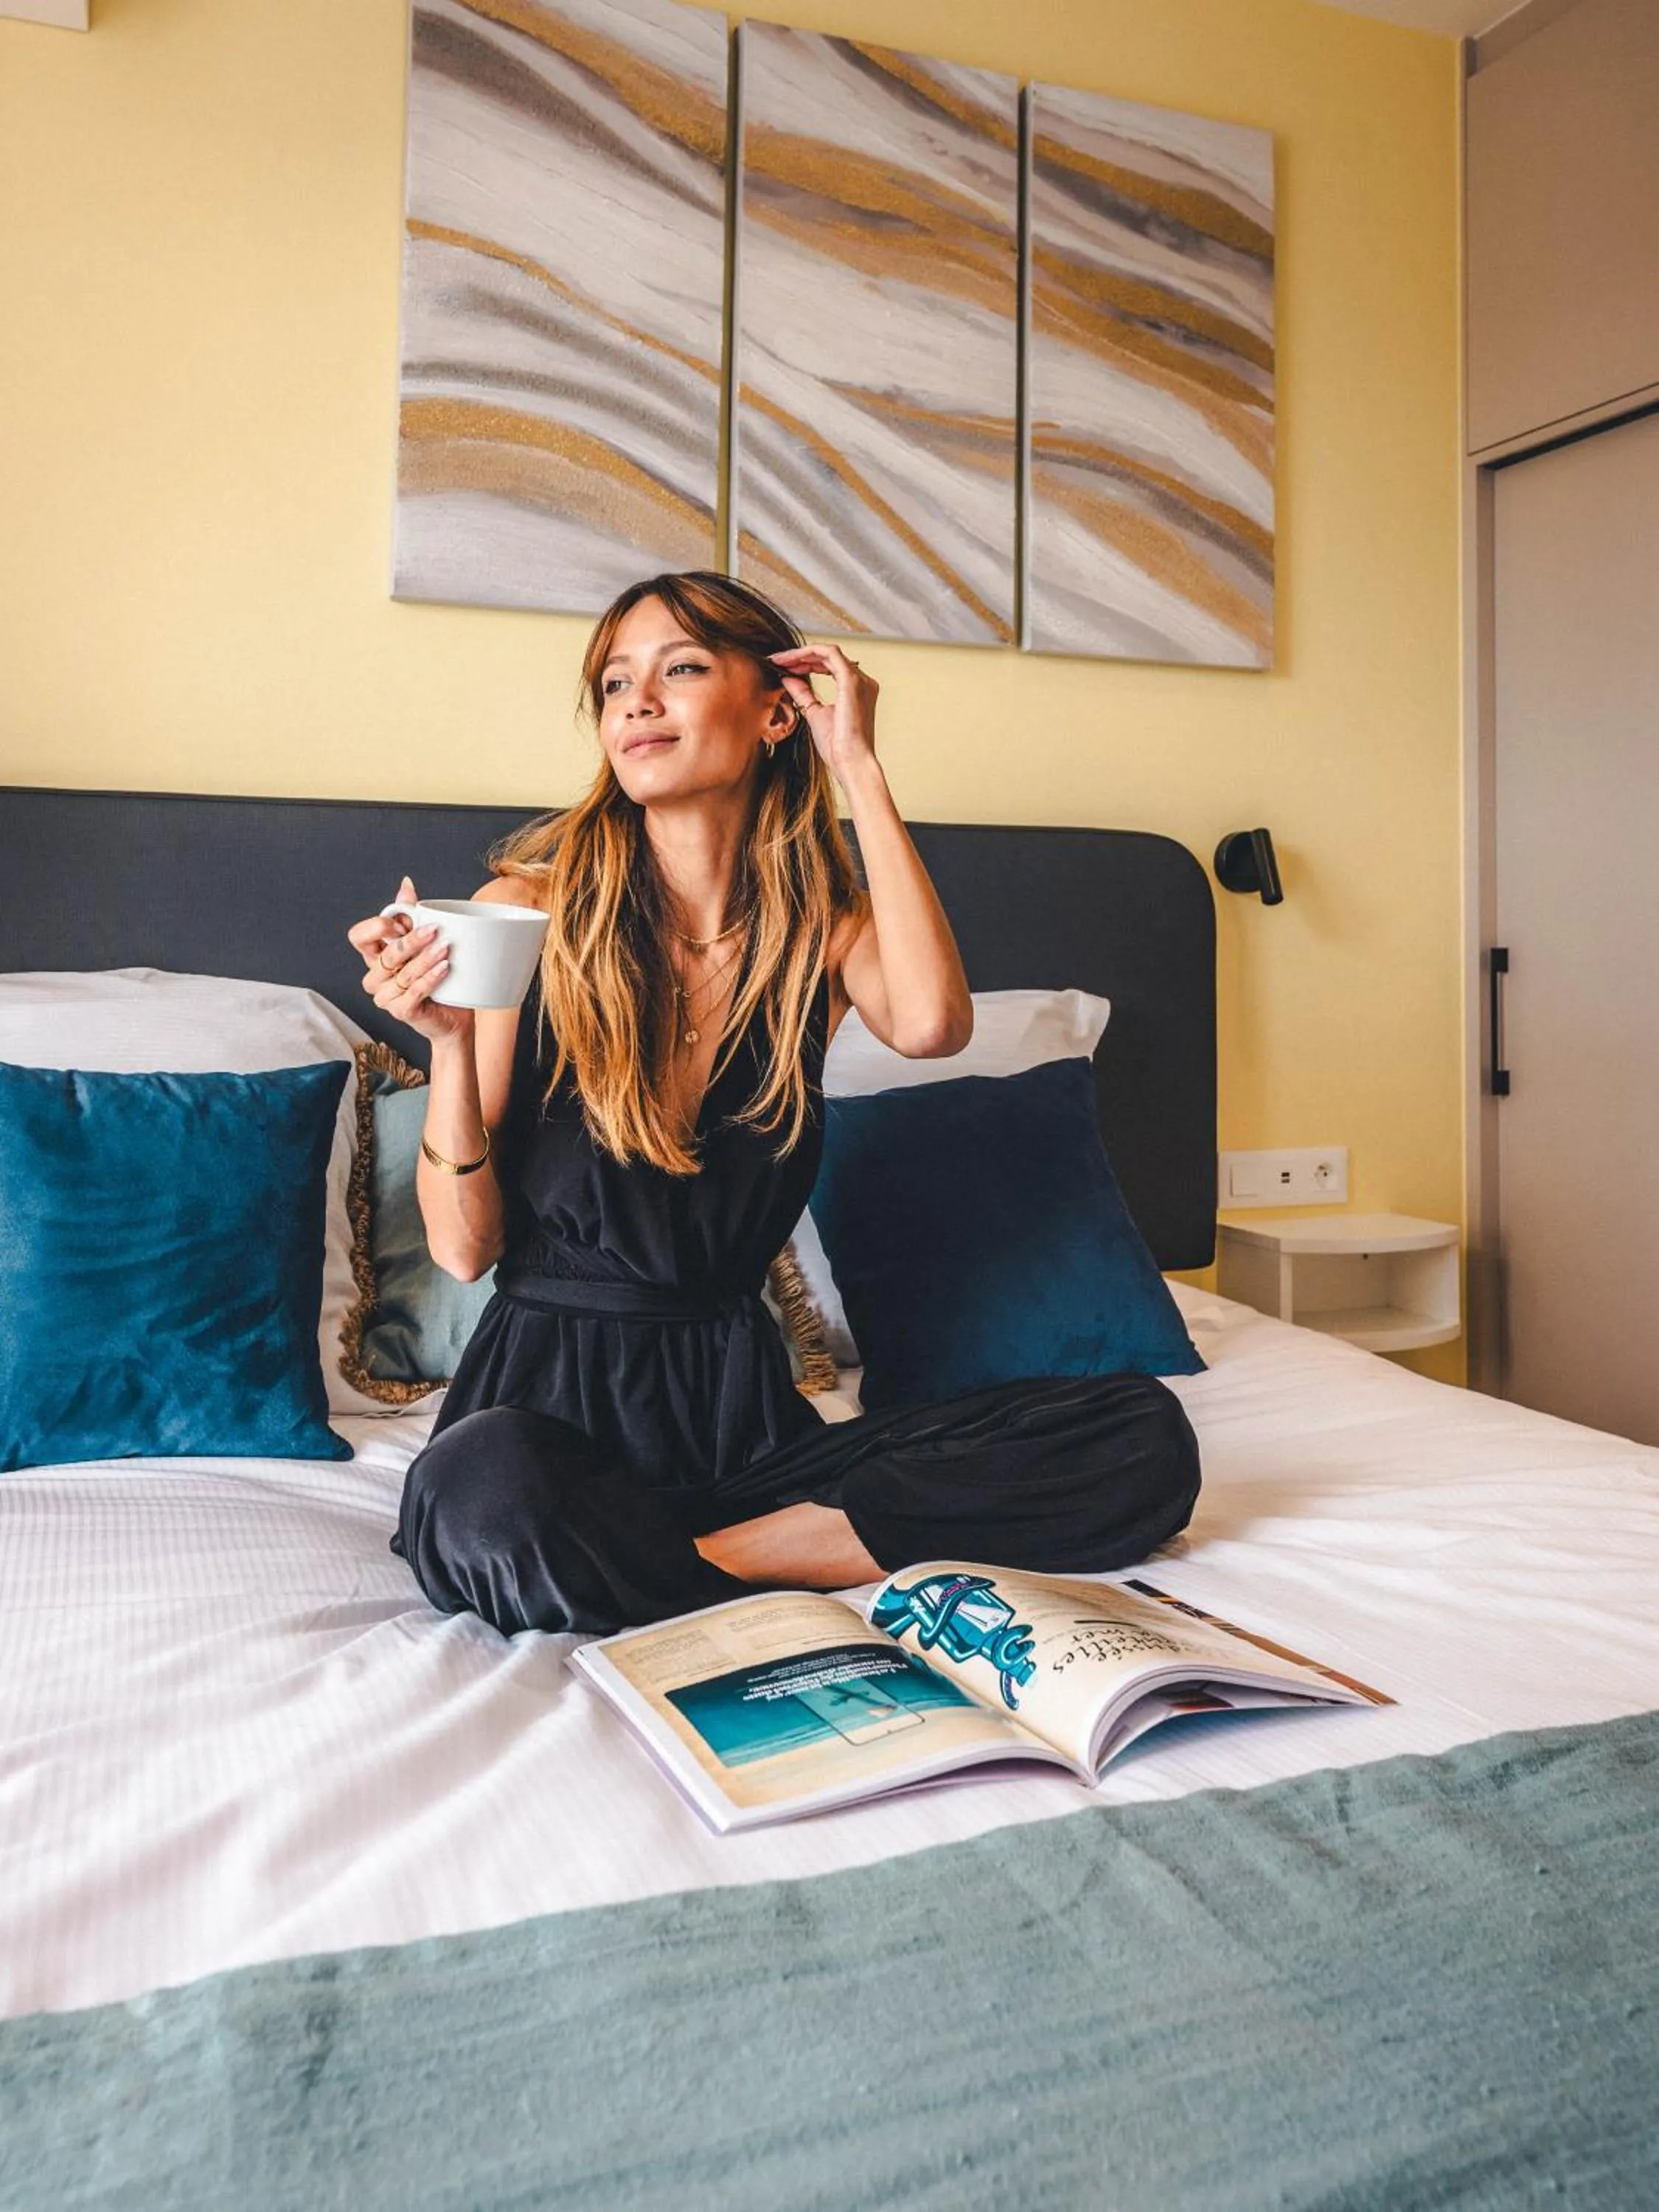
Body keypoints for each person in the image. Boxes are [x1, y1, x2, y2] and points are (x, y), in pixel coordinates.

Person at [347, 571, 1200, 1636]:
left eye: (682, 669)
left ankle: (707, 1561)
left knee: (1137, 1433)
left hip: (741, 1437)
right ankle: (778, 1560)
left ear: (774, 712)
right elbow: (466, 1253)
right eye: (614, 683)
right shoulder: (530, 911)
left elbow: (933, 1024)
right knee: (482, 1484)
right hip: (548, 1414)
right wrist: (451, 1046)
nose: (636, 703)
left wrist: (859, 767)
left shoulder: (822, 934)